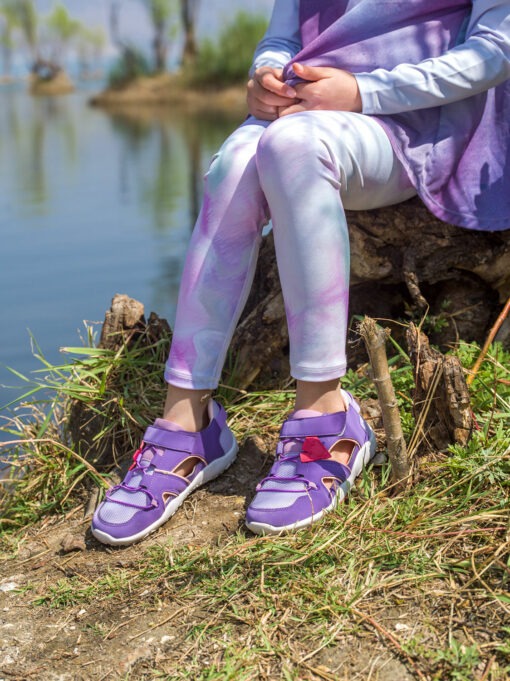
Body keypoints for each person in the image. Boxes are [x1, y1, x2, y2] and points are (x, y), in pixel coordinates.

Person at [91, 0, 510, 546]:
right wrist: (267, 78)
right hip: (303, 110)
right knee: (233, 167)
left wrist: (363, 92)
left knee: (296, 147)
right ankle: (187, 424)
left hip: (405, 120)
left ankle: (326, 415)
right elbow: (283, 39)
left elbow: (494, 50)